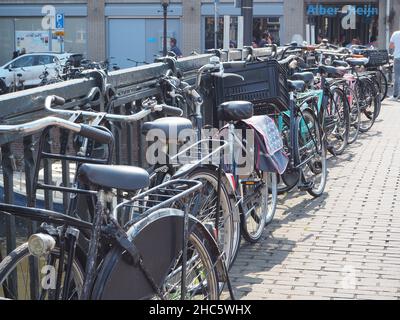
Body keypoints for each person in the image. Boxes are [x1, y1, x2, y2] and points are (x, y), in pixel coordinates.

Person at [389, 30, 400, 101]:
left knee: (397, 77)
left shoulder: (395, 34)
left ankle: (395, 95)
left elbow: (391, 46)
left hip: (397, 57)